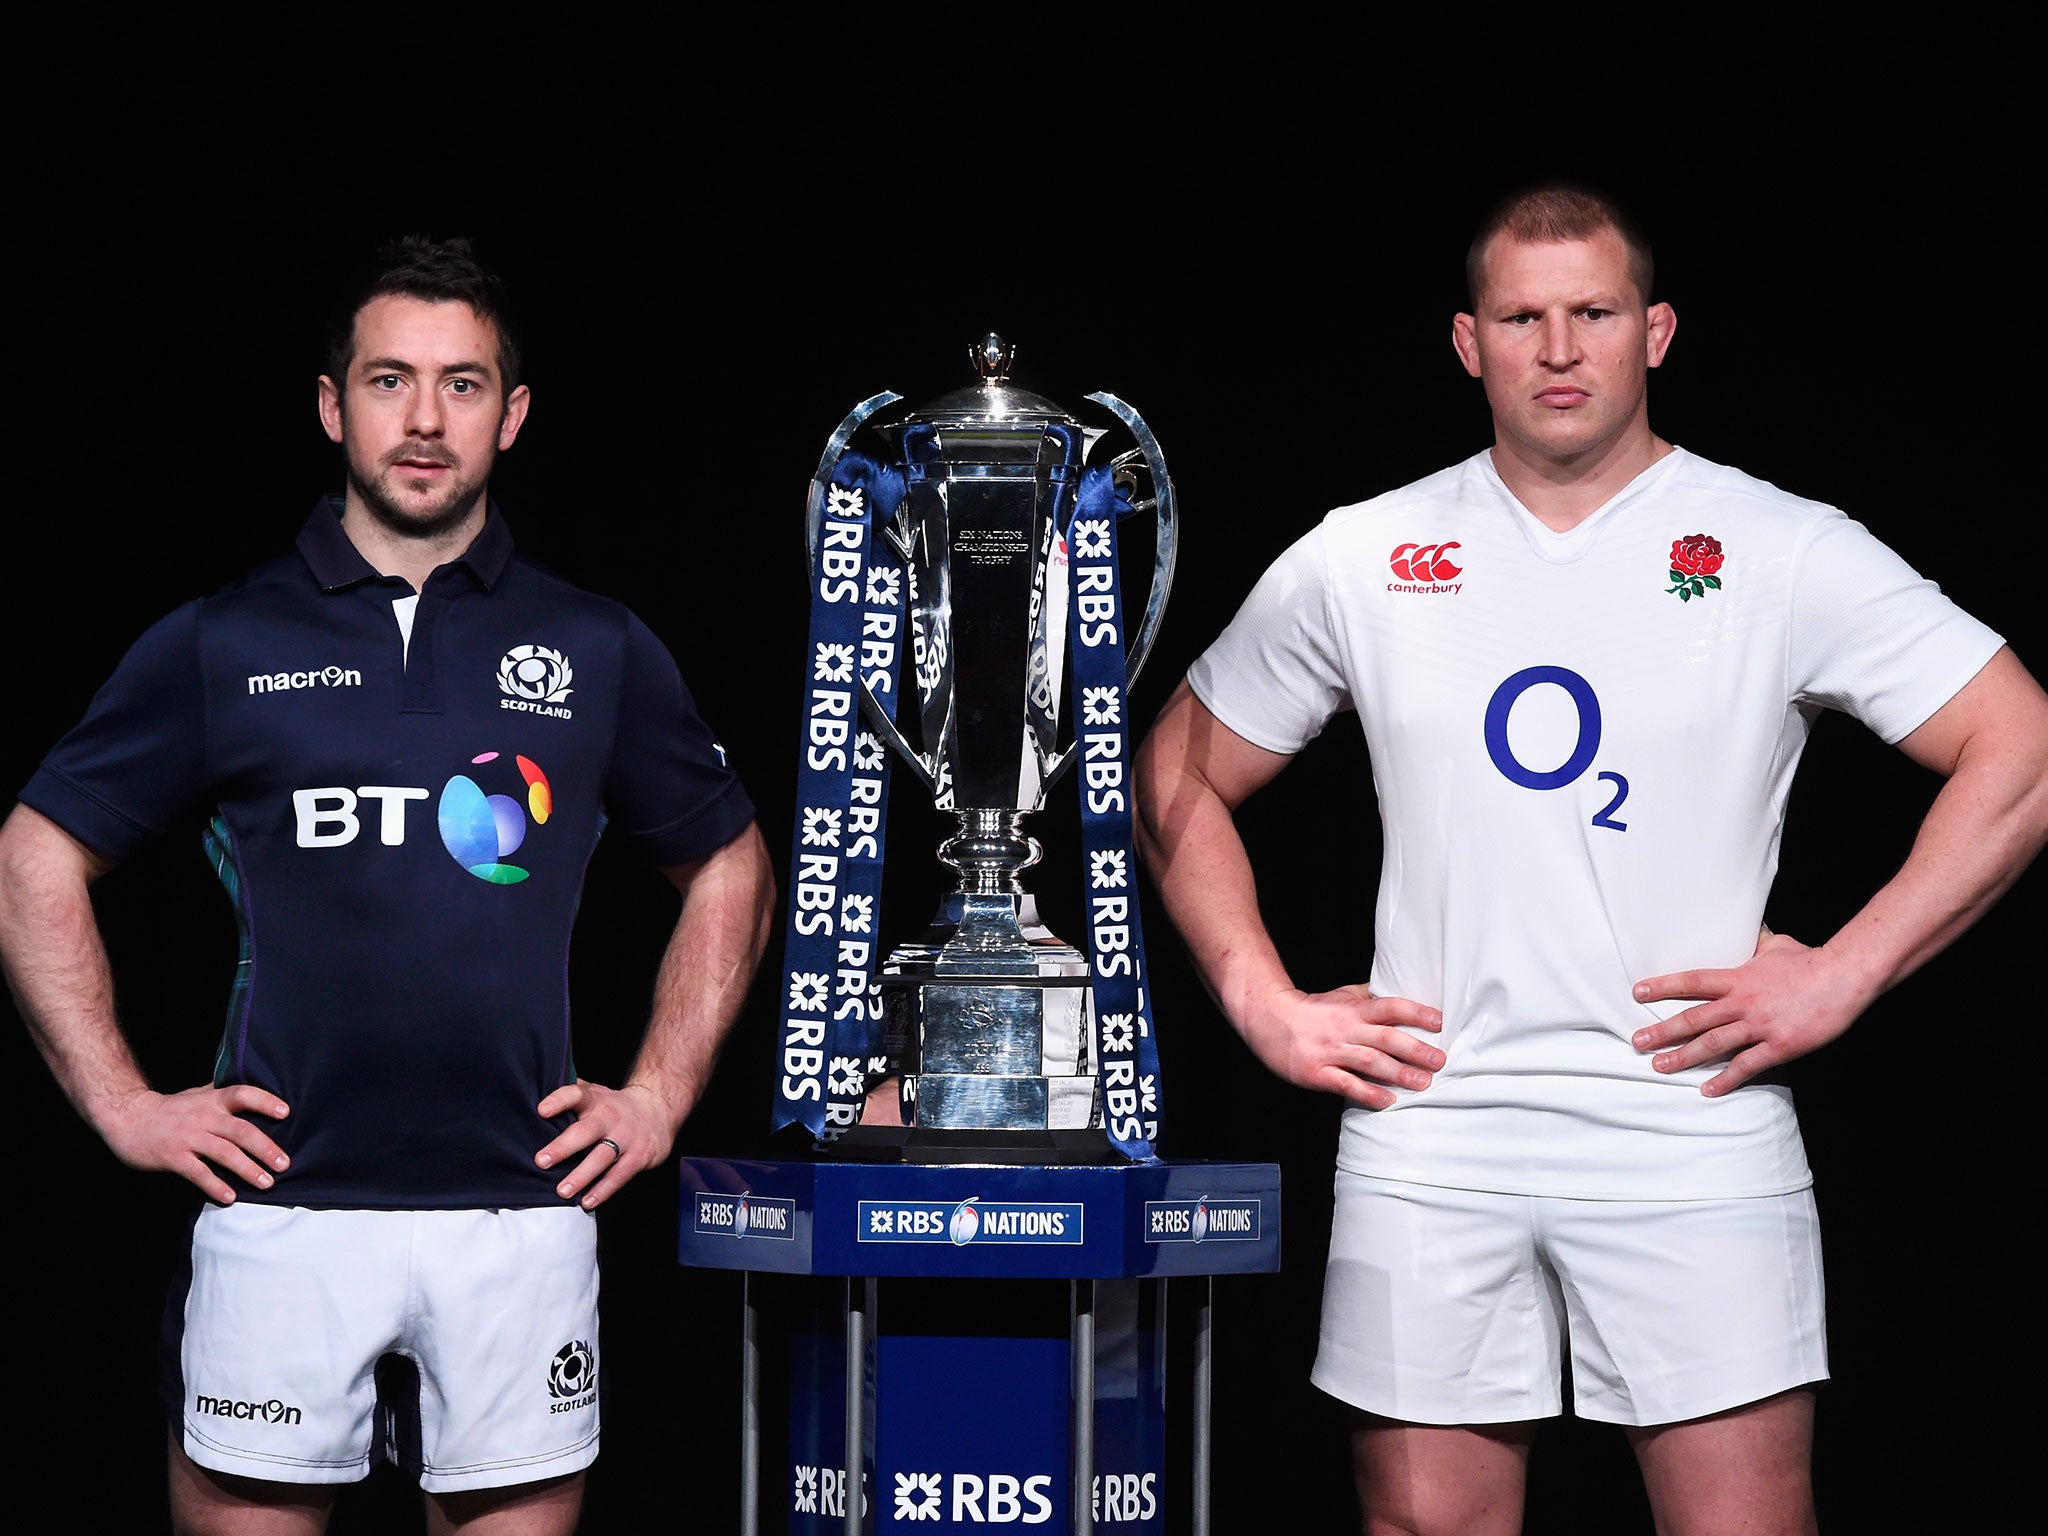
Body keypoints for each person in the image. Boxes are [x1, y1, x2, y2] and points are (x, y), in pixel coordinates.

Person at [1133, 182, 2048, 1535]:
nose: (1559, 348)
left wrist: (1845, 973)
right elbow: (1177, 772)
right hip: (1433, 1126)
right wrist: (1258, 997)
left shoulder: (1780, 548)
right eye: (1522, 317)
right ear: (1469, 343)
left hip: (1688, 1120)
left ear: (1654, 331)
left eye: (1594, 313)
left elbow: (2021, 748)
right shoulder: (1367, 553)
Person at [0, 236, 777, 1535]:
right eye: (390, 380)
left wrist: (658, 1094)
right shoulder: (224, 641)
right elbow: (39, 849)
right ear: (331, 404)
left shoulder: (595, 644)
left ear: (513, 415)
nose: (424, 420)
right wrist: (121, 1103)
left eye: (463, 385)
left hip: (520, 1217)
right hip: (281, 1213)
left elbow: (728, 860)